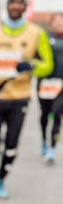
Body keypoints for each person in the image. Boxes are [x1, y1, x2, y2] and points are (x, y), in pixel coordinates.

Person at [0, 0, 53, 199]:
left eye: (20, 3)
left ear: (25, 7)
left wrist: (30, 65)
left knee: (12, 143)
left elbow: (48, 65)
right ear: (7, 5)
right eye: (12, 2)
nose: (15, 6)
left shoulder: (37, 33)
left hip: (19, 97)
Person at [38, 11, 63, 163]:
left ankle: (52, 147)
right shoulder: (44, 38)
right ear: (51, 23)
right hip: (45, 83)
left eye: (62, 20)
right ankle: (43, 139)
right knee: (45, 114)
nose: (59, 23)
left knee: (58, 114)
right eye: (56, 21)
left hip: (61, 85)